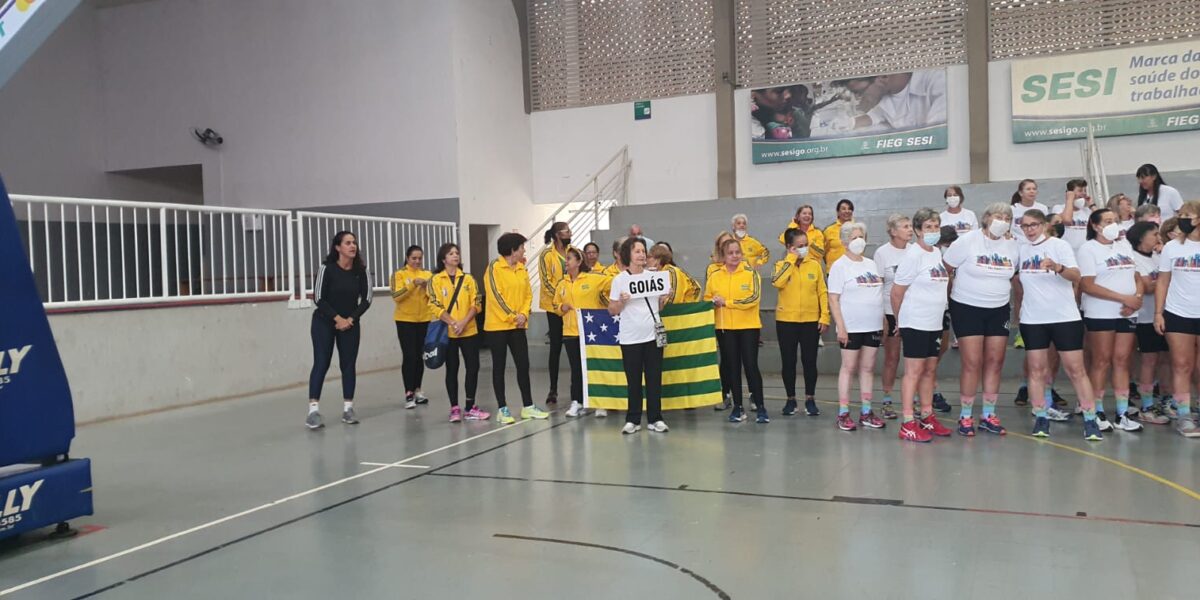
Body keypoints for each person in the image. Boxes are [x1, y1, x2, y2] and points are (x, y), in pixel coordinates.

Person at [1013, 210, 1104, 440]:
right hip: (1033, 319)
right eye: (1025, 226)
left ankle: (1091, 419)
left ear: (1043, 225)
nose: (1030, 229)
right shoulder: (1020, 250)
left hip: (1064, 318)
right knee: (1036, 370)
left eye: (1034, 225)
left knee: (1076, 369)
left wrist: (1058, 267)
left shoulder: (1059, 246)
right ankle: (1041, 416)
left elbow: (1076, 276)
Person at [942, 203, 1019, 436]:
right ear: (986, 218)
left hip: (998, 308)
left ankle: (988, 414)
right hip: (967, 307)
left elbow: (1013, 275)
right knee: (972, 362)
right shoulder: (967, 241)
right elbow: (947, 267)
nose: (1002, 220)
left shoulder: (1012, 246)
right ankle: (965, 416)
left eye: (1007, 217)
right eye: (998, 216)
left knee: (995, 361)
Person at [1078, 209, 1144, 433]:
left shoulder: (1124, 246)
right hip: (1101, 312)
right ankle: (1095, 411)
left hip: (1127, 312)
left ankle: (1122, 413)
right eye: (1107, 221)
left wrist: (1136, 298)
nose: (1113, 224)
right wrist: (1122, 298)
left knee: (1122, 360)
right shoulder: (1088, 249)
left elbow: (1136, 277)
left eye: (1115, 221)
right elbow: (1087, 285)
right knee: (1101, 361)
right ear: (1095, 225)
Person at [891, 209, 953, 442]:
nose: (933, 231)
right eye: (928, 227)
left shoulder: (936, 252)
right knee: (913, 372)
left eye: (936, 226)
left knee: (929, 370)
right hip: (915, 322)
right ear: (917, 230)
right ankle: (908, 422)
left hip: (934, 321)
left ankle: (927, 416)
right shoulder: (912, 255)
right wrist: (900, 322)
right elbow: (897, 293)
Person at [307, 231, 372, 429]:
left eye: (354, 243)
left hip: (350, 324)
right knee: (321, 363)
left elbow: (367, 299)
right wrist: (337, 318)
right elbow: (318, 298)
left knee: (348, 364)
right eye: (347, 243)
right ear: (337, 247)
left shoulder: (361, 270)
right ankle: (313, 411)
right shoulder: (326, 269)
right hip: (324, 322)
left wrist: (350, 319)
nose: (353, 246)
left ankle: (348, 408)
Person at [484, 232, 551, 424]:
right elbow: (496, 296)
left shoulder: (522, 269)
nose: (523, 249)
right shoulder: (493, 269)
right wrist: (514, 316)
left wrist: (523, 314)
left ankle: (528, 406)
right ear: (512, 249)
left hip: (518, 326)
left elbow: (528, 294)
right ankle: (502, 409)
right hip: (497, 326)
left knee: (523, 364)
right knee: (499, 366)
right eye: (521, 246)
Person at [826, 222, 886, 431]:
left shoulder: (871, 264)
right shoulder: (839, 266)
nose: (858, 241)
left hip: (873, 324)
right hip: (851, 326)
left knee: (868, 368)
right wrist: (841, 327)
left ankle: (866, 411)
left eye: (861, 236)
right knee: (849, 368)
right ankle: (843, 413)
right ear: (844, 242)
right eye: (853, 238)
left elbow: (878, 293)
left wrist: (883, 320)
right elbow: (833, 299)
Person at [609, 238, 669, 433]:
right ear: (629, 255)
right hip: (630, 338)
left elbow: (657, 307)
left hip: (652, 336)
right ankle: (633, 419)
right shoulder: (619, 280)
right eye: (637, 251)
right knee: (633, 380)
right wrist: (621, 302)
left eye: (643, 251)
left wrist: (662, 300)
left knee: (654, 379)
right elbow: (612, 310)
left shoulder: (654, 277)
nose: (642, 254)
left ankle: (655, 418)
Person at [706, 238, 768, 424]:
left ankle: (761, 407)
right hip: (725, 329)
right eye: (730, 253)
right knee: (732, 367)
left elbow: (754, 299)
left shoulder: (751, 274)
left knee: (750, 366)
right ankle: (737, 407)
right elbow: (707, 298)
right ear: (723, 256)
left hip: (748, 327)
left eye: (737, 252)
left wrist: (728, 303)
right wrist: (713, 301)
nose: (734, 256)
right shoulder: (715, 275)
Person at [1154, 201, 1200, 437]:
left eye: (1187, 215)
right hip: (1178, 312)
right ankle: (1184, 414)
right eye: (1180, 214)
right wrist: (1158, 313)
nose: (1182, 218)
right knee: (1182, 364)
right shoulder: (1172, 247)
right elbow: (1163, 281)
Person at [772, 228, 828, 417]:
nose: (804, 249)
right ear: (789, 247)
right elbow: (778, 283)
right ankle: (790, 399)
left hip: (810, 321)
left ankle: (810, 399)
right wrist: (790, 260)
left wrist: (824, 316)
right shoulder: (781, 264)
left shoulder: (815, 265)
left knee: (809, 361)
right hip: (786, 321)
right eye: (800, 246)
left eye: (806, 245)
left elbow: (822, 292)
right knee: (788, 362)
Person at [429, 243, 488, 423]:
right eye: (451, 253)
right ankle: (454, 407)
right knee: (452, 369)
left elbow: (476, 303)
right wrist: (453, 322)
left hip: (468, 330)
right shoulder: (436, 280)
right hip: (449, 332)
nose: (455, 256)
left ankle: (470, 406)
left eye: (457, 253)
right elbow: (434, 304)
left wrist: (463, 322)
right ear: (443, 259)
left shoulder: (468, 279)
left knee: (473, 367)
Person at [554, 247, 611, 418]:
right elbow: (556, 305)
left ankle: (600, 402)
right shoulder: (562, 284)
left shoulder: (593, 279)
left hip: (590, 332)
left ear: (579, 261)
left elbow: (613, 283)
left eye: (570, 258)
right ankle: (577, 402)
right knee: (576, 369)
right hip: (570, 332)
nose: (567, 262)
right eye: (566, 259)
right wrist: (561, 308)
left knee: (594, 367)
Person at [1127, 222, 1172, 425]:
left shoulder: (1157, 256)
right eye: (1154, 234)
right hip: (1144, 316)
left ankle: (1165, 398)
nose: (1158, 237)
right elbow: (1146, 286)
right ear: (1141, 238)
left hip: (1163, 313)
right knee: (1149, 360)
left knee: (1165, 359)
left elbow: (1161, 281)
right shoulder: (1134, 259)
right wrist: (1168, 280)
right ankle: (1146, 405)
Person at [875, 213, 913, 419]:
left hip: (913, 312)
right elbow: (878, 285)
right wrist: (882, 314)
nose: (910, 229)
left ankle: (913, 400)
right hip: (891, 311)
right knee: (892, 357)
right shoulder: (882, 253)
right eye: (905, 226)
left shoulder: (915, 251)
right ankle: (887, 400)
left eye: (910, 226)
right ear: (893, 231)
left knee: (914, 359)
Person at [391, 245, 433, 408]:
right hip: (405, 320)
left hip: (424, 320)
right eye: (414, 258)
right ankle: (408, 393)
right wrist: (412, 285)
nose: (417, 261)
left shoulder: (427, 275)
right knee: (409, 356)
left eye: (419, 258)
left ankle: (418, 390)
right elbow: (396, 296)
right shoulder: (399, 274)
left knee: (419, 356)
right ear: (407, 258)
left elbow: (434, 294)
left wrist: (425, 286)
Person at [538, 222, 573, 406]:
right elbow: (545, 281)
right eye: (566, 231)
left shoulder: (573, 251)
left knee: (573, 346)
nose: (570, 233)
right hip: (554, 307)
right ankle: (553, 389)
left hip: (572, 307)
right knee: (556, 347)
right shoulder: (546, 254)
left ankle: (577, 387)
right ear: (557, 235)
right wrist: (561, 297)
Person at [709, 231, 737, 411]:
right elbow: (708, 294)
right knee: (726, 359)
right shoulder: (712, 269)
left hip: (742, 321)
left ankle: (748, 396)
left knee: (744, 361)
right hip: (723, 322)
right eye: (725, 244)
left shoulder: (742, 266)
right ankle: (724, 393)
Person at [1051, 179, 1093, 251]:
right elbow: (1067, 220)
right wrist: (1069, 199)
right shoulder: (1058, 208)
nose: (1084, 193)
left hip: (1085, 251)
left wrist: (1092, 205)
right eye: (1080, 191)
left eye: (1085, 191)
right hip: (1066, 250)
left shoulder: (1087, 211)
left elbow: (1102, 221)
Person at [823, 199, 855, 266]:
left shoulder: (857, 229)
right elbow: (824, 252)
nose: (847, 211)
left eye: (849, 209)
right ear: (838, 212)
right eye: (843, 209)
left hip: (853, 269)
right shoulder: (829, 230)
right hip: (833, 269)